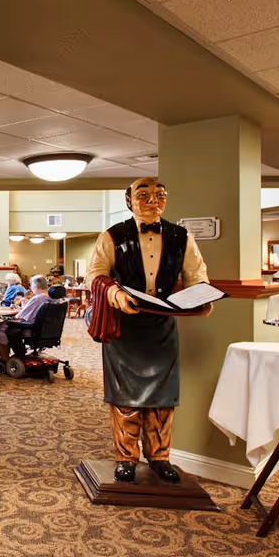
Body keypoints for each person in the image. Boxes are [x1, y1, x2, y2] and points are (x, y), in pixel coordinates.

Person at [86, 177, 211, 485]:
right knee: (125, 397)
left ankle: (160, 457)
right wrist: (115, 294)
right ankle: (126, 458)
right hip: (124, 326)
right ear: (129, 201)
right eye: (143, 195)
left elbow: (196, 274)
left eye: (159, 194)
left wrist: (201, 297)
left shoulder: (181, 236)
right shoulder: (112, 236)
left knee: (162, 397)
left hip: (162, 326)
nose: (153, 200)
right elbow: (95, 274)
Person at [0, 275, 57, 363]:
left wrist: (8, 318)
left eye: (31, 286)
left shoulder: (37, 298)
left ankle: (5, 360)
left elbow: (20, 316)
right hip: (48, 329)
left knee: (0, 328)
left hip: (32, 328)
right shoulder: (53, 298)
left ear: (35, 286)